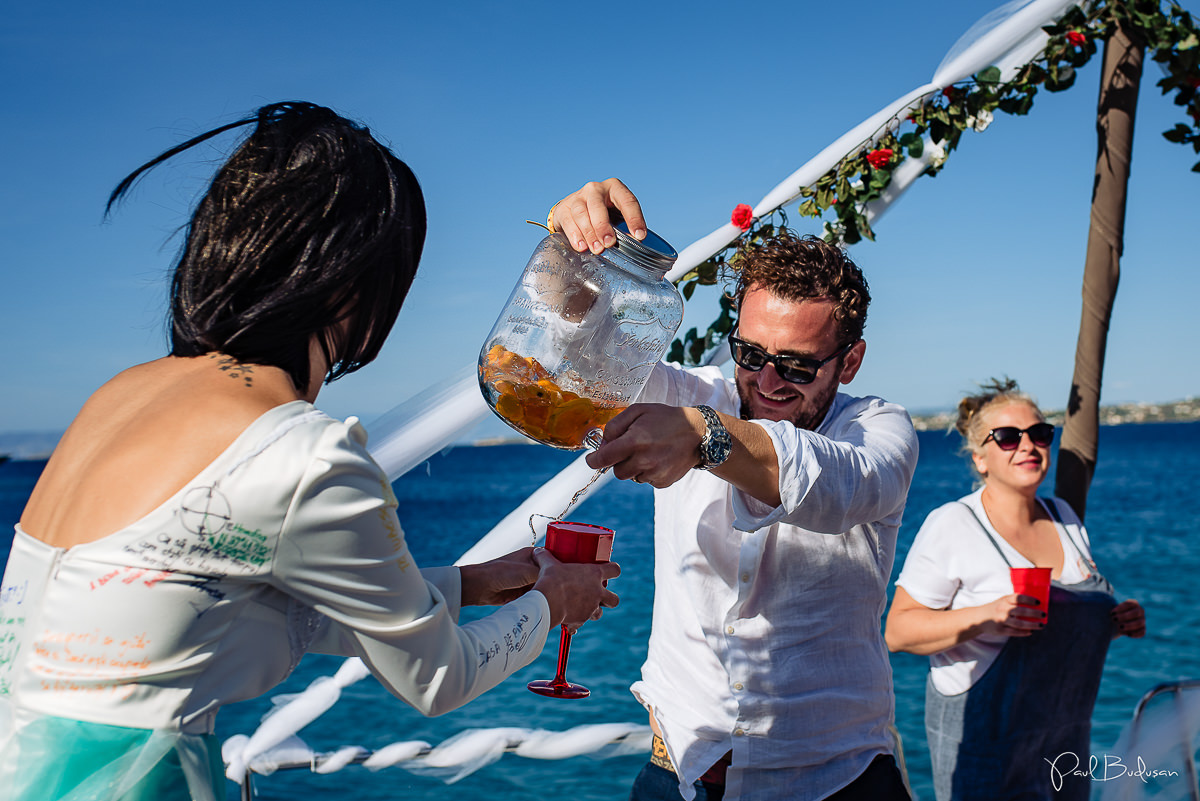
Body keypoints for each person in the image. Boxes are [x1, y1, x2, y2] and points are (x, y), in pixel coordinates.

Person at [0, 102, 620, 801]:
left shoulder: (119, 397)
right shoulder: (302, 452)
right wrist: (551, 601)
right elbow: (439, 677)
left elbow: (210, 602)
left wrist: (469, 585)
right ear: (354, 283)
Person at [553, 180, 920, 801]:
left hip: (837, 780)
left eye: (799, 365)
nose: (768, 381)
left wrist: (704, 436)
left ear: (849, 363)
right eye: (749, 354)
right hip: (681, 775)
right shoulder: (690, 397)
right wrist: (572, 259)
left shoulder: (878, 428)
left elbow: (840, 484)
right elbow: (577, 356)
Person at [884, 378, 1146, 801]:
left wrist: (1115, 622)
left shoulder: (1064, 517)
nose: (1028, 445)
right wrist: (986, 615)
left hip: (1063, 753)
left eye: (1039, 434)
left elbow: (1057, 621)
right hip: (984, 752)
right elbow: (897, 632)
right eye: (1007, 437)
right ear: (980, 459)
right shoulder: (953, 524)